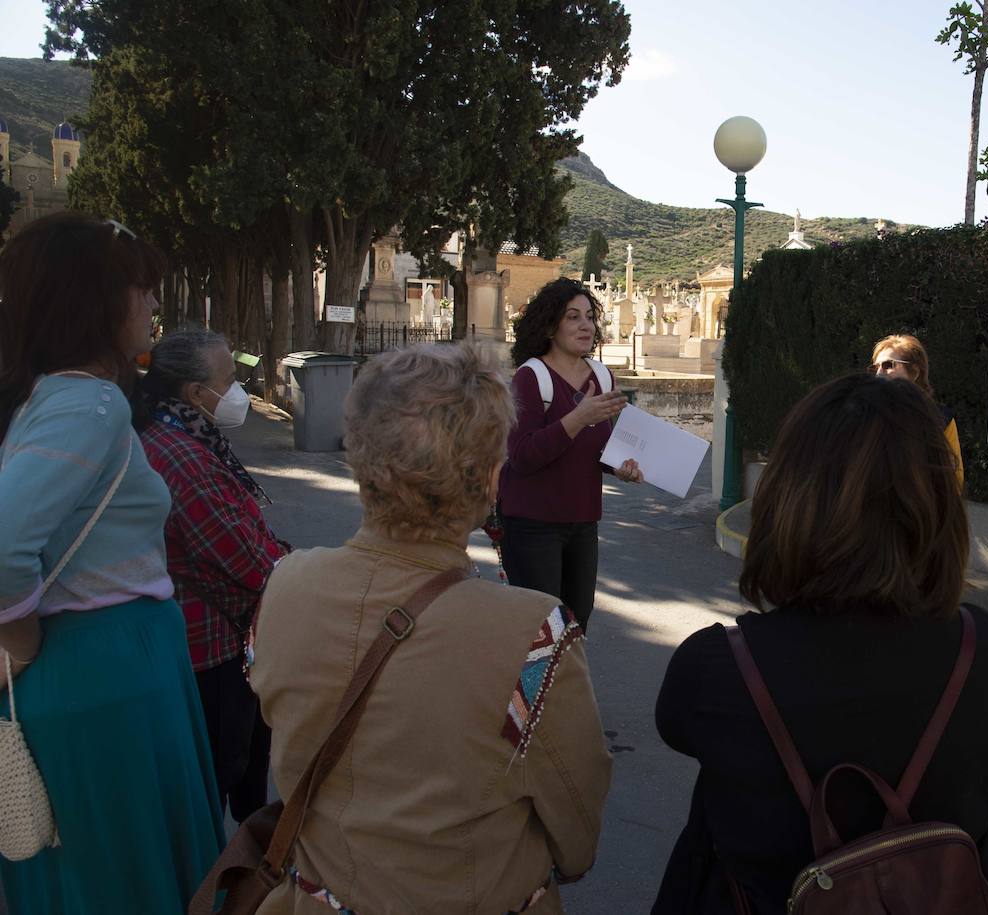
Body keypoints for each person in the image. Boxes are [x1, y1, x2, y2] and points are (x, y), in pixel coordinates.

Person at [251, 342, 613, 914]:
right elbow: (576, 821)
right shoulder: (533, 635)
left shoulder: (283, 588)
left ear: (358, 454)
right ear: (492, 479)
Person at [653, 373, 988, 914]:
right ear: (938, 506)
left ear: (786, 500)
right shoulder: (978, 648)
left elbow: (679, 731)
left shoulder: (719, 667)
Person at [0, 213, 224, 914]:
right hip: (104, 672)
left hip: (106, 665)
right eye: (140, 287)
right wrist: (20, 636)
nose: (153, 304)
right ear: (95, 299)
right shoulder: (89, 403)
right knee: (126, 881)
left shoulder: (52, 396)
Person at [137, 328, 290, 820]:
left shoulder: (187, 434)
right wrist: (299, 571)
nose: (237, 391)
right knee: (222, 775)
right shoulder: (179, 455)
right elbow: (244, 559)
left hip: (222, 637)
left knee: (242, 773)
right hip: (213, 648)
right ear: (194, 392)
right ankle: (221, 884)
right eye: (229, 380)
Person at [499, 277, 642, 632]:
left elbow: (599, 449)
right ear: (550, 326)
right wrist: (577, 418)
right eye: (573, 317)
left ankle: (566, 689)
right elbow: (522, 456)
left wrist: (620, 467)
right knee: (541, 630)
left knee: (577, 623)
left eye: (590, 317)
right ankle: (530, 690)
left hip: (582, 522)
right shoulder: (531, 378)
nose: (586, 326)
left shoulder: (601, 377)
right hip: (533, 526)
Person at [870, 333, 964, 490]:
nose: (879, 373)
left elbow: (955, 482)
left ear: (914, 372)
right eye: (876, 367)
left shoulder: (941, 420)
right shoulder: (867, 415)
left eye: (888, 365)